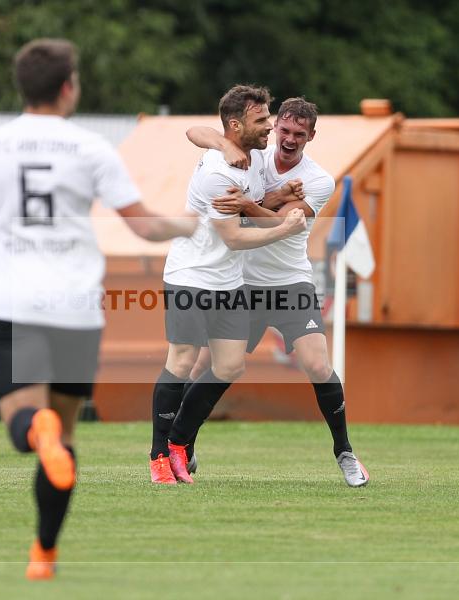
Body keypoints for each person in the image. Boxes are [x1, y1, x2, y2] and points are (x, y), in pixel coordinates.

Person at [0, 38, 197, 580]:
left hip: (13, 302)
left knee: (28, 427)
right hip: (76, 308)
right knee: (67, 435)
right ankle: (44, 553)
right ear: (66, 87)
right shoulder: (90, 148)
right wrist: (192, 223)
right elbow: (145, 225)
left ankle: (39, 433)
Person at [183, 97, 370, 487]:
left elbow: (282, 224)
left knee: (317, 365)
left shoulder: (318, 179)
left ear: (311, 137)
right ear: (275, 127)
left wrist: (250, 204)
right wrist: (223, 145)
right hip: (242, 282)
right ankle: (183, 445)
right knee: (205, 366)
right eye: (284, 129)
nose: (289, 139)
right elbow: (194, 131)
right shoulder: (254, 155)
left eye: (299, 134)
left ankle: (345, 452)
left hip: (291, 283)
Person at [149, 84, 307, 485]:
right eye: (262, 119)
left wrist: (277, 196)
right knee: (181, 362)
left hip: (229, 283)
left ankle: (179, 443)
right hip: (192, 278)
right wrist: (285, 228)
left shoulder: (254, 157)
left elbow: (250, 206)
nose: (270, 126)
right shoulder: (219, 172)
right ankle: (159, 457)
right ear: (236, 125)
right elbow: (235, 237)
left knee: (230, 366)